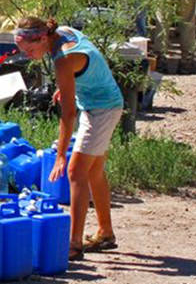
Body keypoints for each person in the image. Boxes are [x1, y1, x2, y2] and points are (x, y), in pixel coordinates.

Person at [14, 16, 123, 260]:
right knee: (94, 171)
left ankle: (74, 244)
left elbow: (68, 113)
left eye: (31, 50)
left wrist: (61, 155)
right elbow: (87, 66)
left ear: (43, 38)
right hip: (101, 102)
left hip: (101, 109)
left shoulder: (63, 59)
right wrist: (66, 87)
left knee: (75, 172)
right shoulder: (61, 32)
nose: (29, 55)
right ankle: (105, 233)